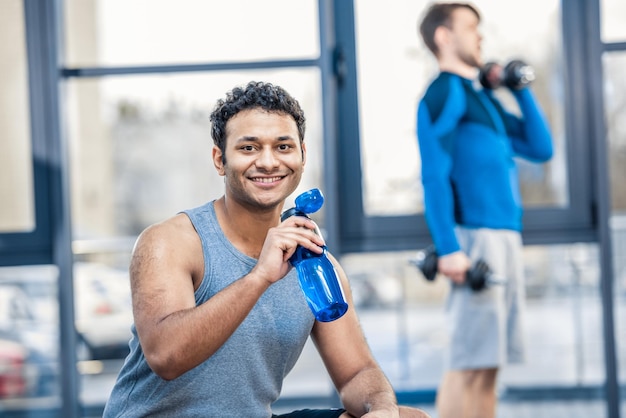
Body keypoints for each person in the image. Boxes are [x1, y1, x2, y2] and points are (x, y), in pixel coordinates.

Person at [103, 81, 430, 418]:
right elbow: (166, 357)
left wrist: (381, 408)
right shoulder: (169, 242)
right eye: (249, 148)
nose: (269, 162)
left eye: (283, 146)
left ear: (302, 155)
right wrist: (260, 276)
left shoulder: (315, 264)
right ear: (220, 159)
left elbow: (357, 372)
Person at [415, 3, 553, 418]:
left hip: (505, 236)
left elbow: (540, 147)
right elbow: (434, 175)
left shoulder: (482, 99)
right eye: (471, 27)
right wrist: (449, 248)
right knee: (467, 364)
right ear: (444, 36)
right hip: (474, 240)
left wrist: (517, 86)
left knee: (490, 366)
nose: (480, 36)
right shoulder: (444, 93)